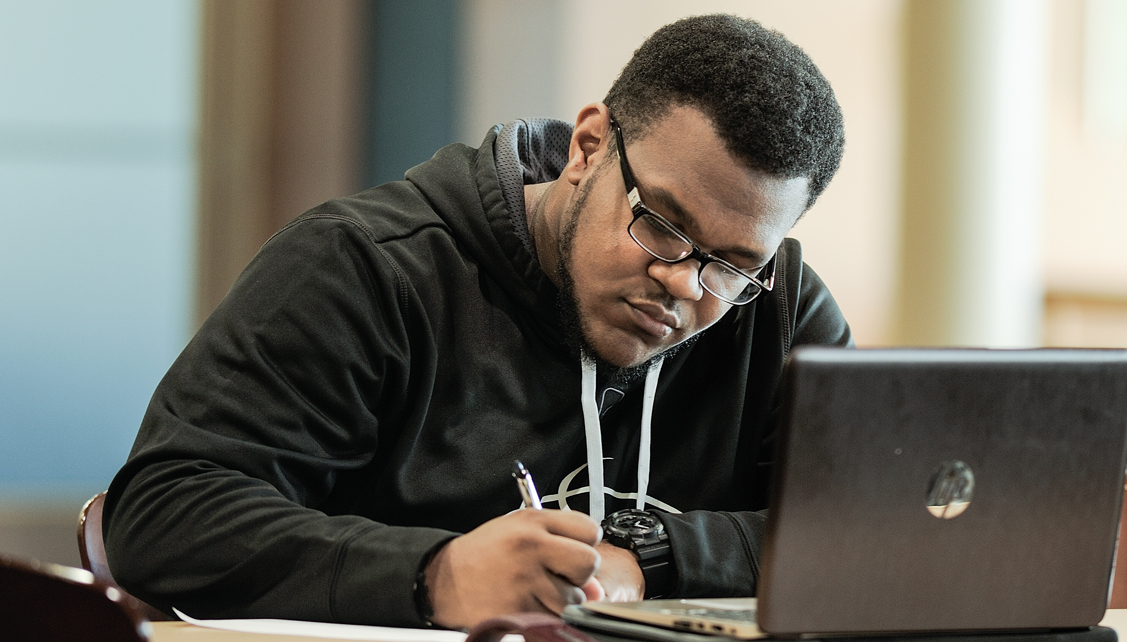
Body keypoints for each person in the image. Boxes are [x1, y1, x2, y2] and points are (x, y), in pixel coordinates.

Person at [104, 13, 850, 630]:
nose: (683, 283)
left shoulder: (779, 310)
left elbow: (870, 534)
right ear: (588, 149)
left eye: (730, 262)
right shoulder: (364, 268)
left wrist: (650, 556)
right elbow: (162, 515)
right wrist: (434, 576)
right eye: (660, 222)